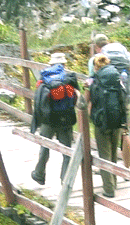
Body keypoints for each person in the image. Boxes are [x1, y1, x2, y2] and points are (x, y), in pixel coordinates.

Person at [30, 52, 80, 185]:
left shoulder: (44, 78)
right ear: (64, 64)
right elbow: (77, 99)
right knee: (67, 152)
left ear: (50, 64)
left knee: (45, 148)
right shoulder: (69, 78)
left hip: (48, 120)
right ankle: (65, 181)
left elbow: (39, 101)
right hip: (66, 119)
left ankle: (39, 174)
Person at [88, 53, 127, 197]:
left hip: (102, 121)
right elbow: (123, 97)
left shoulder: (96, 81)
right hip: (116, 119)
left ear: (96, 67)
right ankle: (114, 181)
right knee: (113, 153)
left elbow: (92, 101)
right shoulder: (117, 78)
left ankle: (109, 189)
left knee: (104, 155)